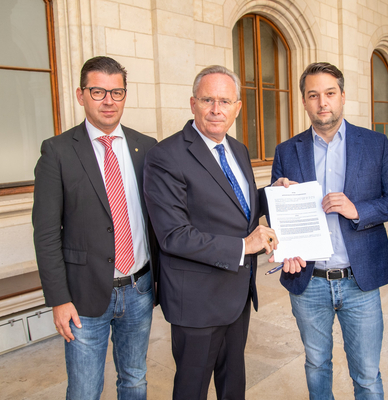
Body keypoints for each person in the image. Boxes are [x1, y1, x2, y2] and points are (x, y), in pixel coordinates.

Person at [271, 62, 388, 400]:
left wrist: (358, 210)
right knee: (316, 365)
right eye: (313, 95)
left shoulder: (374, 143)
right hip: (309, 282)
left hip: (358, 280)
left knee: (366, 375)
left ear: (343, 96)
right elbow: (277, 218)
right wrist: (277, 196)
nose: (323, 102)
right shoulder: (286, 150)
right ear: (303, 101)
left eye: (330, 93)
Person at [143, 65, 279, 400]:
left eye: (225, 101)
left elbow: (234, 204)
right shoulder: (166, 155)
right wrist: (243, 246)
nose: (216, 109)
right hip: (197, 301)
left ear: (238, 107)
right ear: (193, 103)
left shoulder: (238, 149)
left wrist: (273, 194)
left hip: (237, 292)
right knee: (192, 390)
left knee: (233, 386)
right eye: (207, 100)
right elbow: (173, 234)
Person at [32, 56, 158, 400]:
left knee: (135, 379)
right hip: (83, 296)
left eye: (116, 92)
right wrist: (59, 299)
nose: (108, 101)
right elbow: (46, 234)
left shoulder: (146, 147)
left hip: (139, 288)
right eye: (98, 91)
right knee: (85, 390)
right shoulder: (57, 151)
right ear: (81, 95)